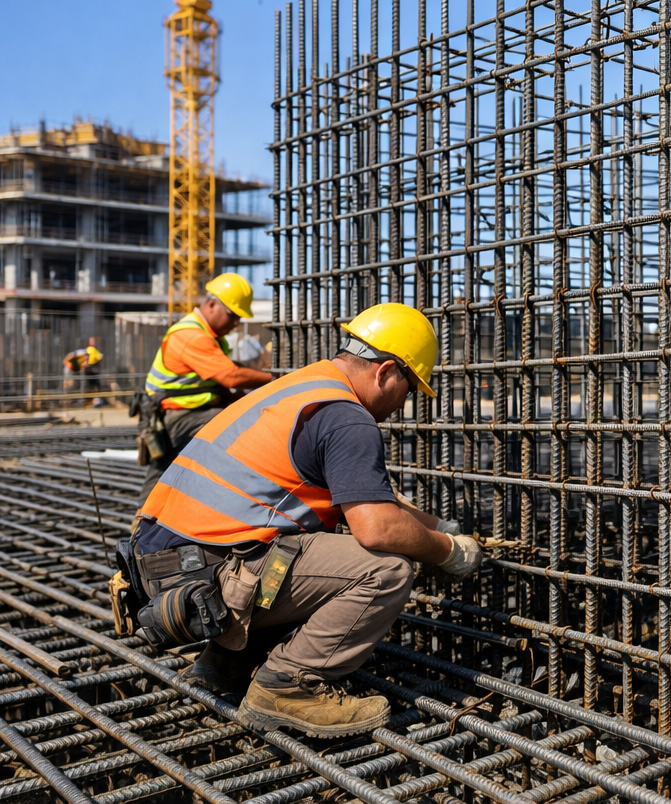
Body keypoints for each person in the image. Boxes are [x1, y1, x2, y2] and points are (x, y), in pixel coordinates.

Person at [133, 302, 482, 737]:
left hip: (164, 566)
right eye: (409, 388)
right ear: (387, 372)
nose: (404, 402)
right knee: (385, 568)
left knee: (309, 547)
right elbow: (377, 527)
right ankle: (288, 685)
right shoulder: (347, 418)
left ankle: (225, 662)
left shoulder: (305, 389)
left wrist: (436, 527)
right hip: (202, 580)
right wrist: (447, 551)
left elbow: (372, 499)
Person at [139, 273, 274, 504]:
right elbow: (230, 376)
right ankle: (142, 525)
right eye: (233, 315)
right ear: (212, 305)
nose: (236, 324)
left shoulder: (206, 335)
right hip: (176, 416)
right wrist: (276, 378)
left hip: (189, 413)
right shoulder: (191, 335)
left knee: (167, 474)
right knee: (230, 427)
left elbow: (229, 373)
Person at [63, 336, 105, 408]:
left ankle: (69, 399)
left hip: (72, 369)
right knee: (69, 384)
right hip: (69, 369)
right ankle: (66, 399)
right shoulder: (82, 353)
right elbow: (70, 357)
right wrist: (69, 363)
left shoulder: (85, 354)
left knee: (74, 384)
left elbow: (83, 363)